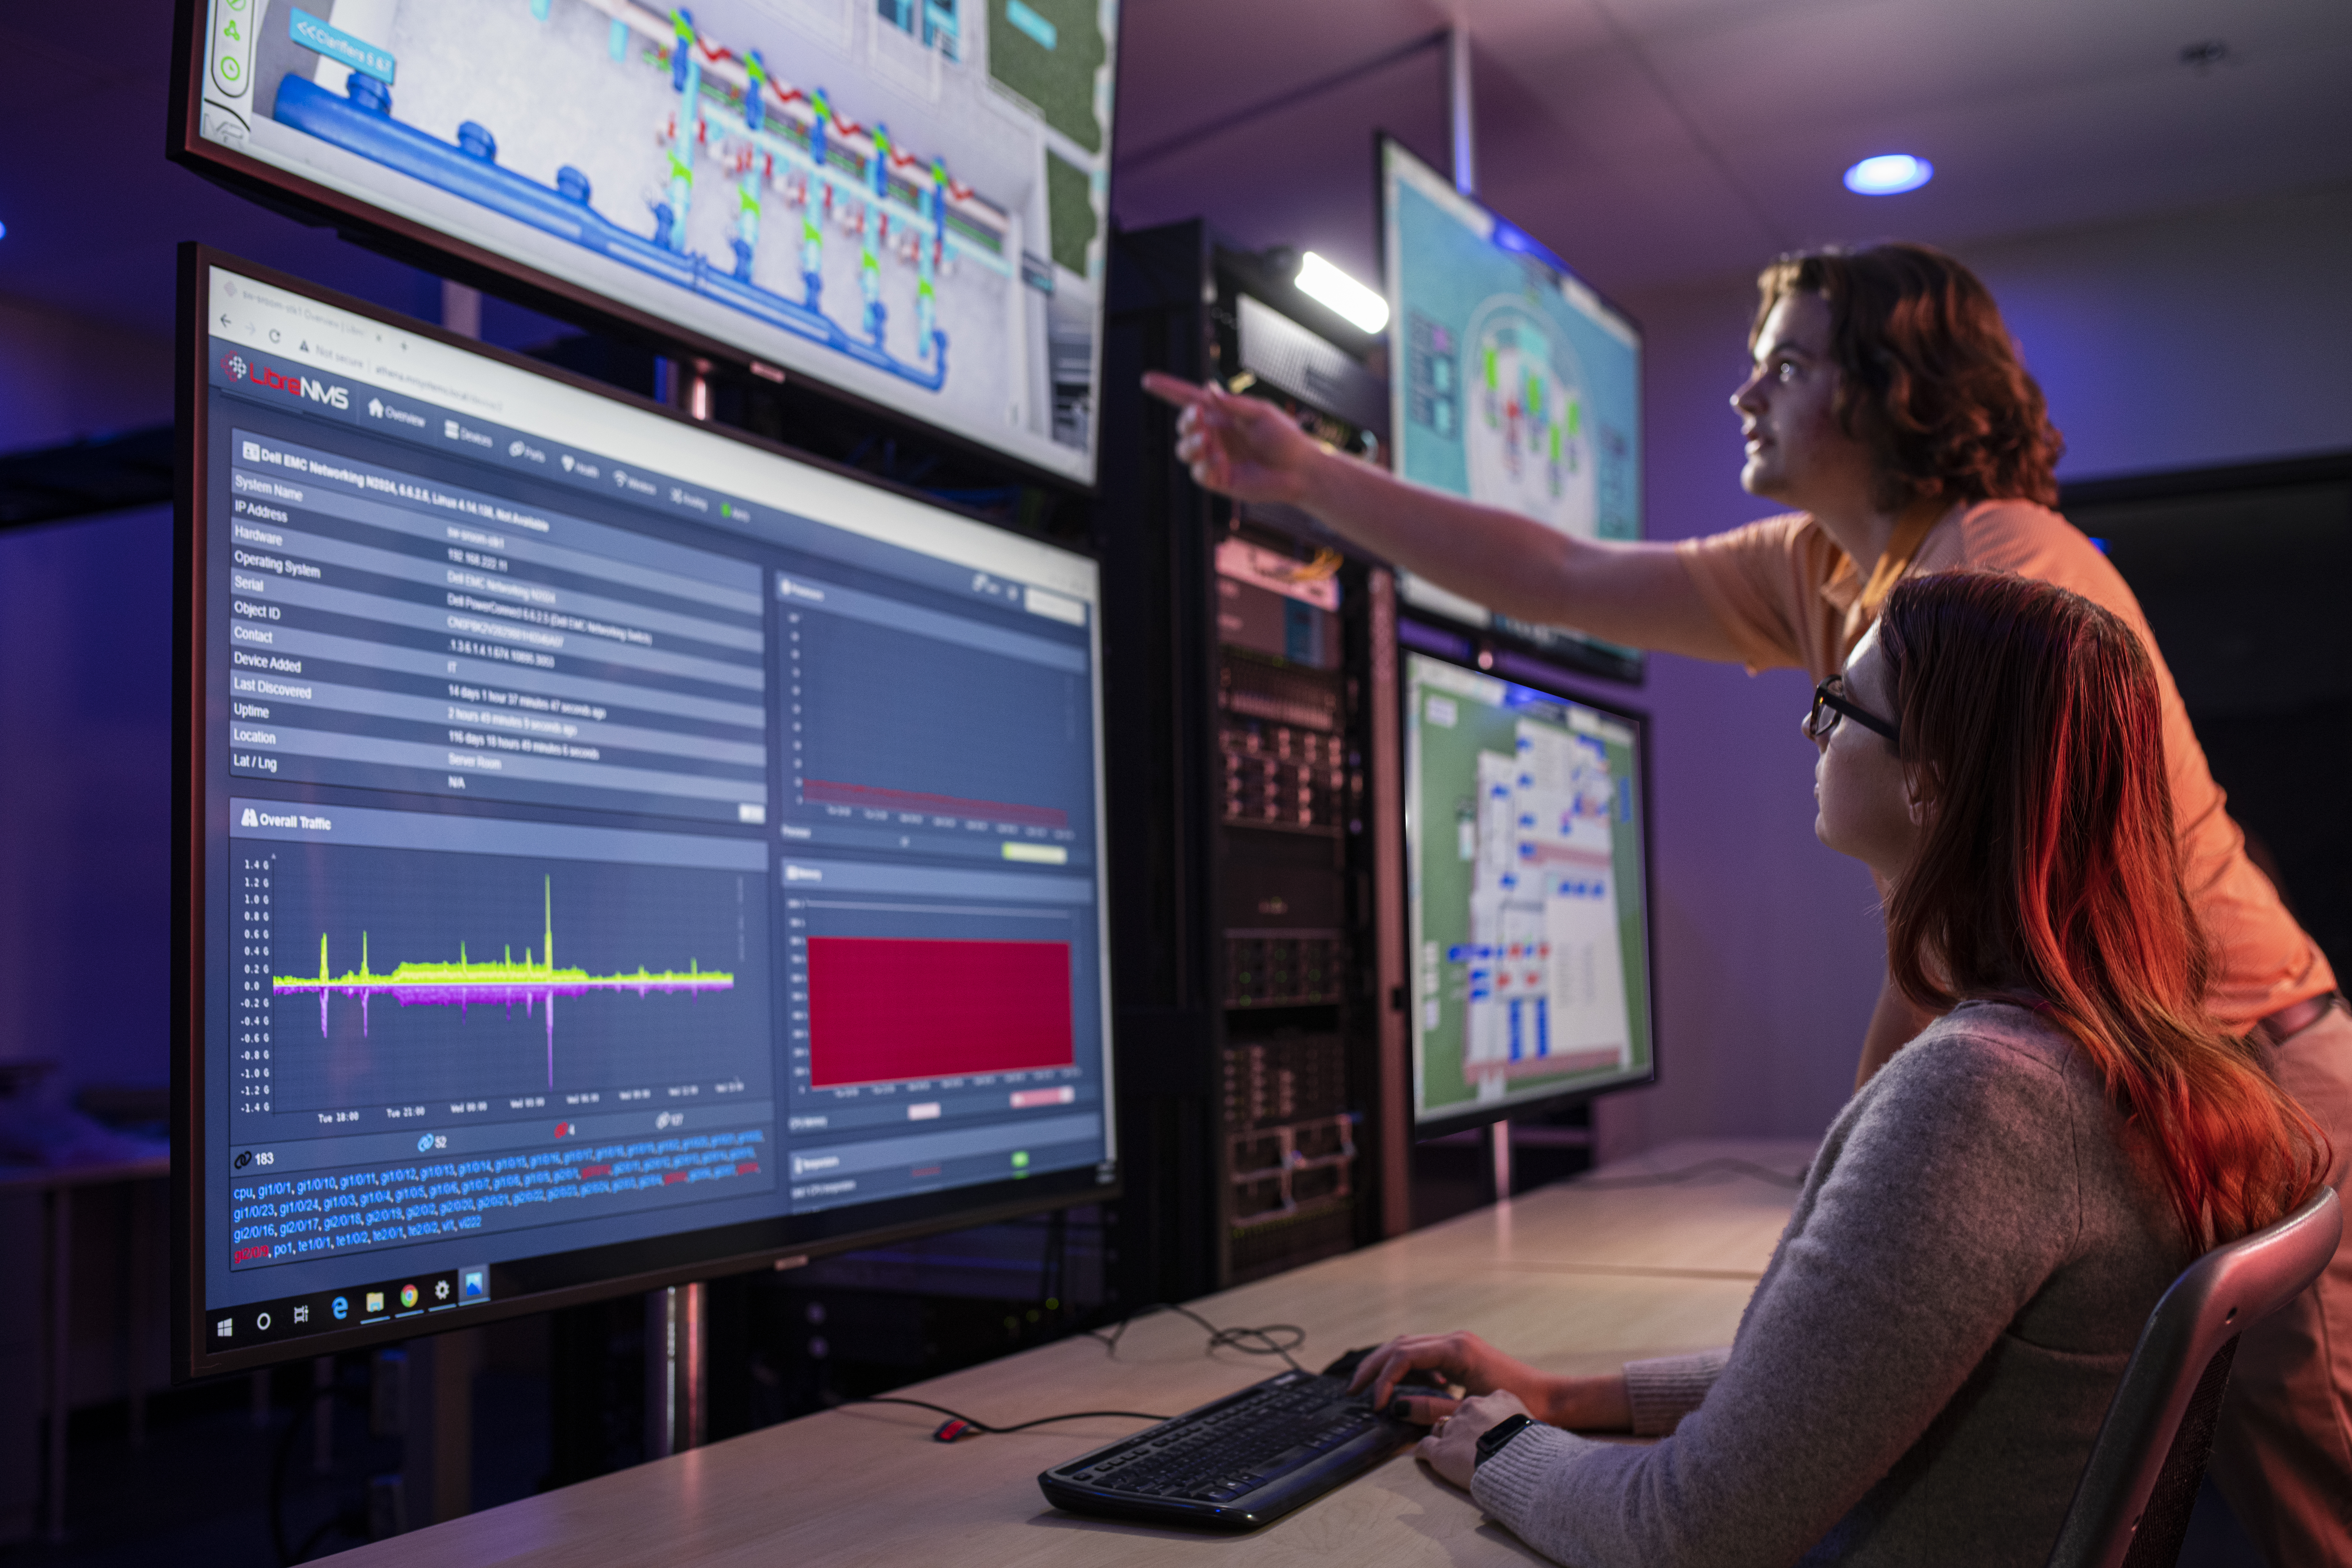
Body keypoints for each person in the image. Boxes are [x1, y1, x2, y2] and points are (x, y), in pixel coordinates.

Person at [1142, 242, 2350, 1558]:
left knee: (2313, 1496)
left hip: (2246, 1056)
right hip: (2111, 1075)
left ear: (1895, 389)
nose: (1744, 394)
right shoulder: (1830, 571)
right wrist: (1305, 476)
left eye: (1787, 362)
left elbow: (1995, 888)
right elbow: (1562, 575)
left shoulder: (1999, 581)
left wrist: (1885, 1157)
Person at [1346, 571, 2328, 1565]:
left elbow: (1686, 1534)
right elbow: (1849, 1378)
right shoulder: (2116, 1063)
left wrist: (1504, 1446)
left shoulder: (1986, 1099)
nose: (1813, 734)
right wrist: (1568, 1397)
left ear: (1927, 778)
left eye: (1840, 706)